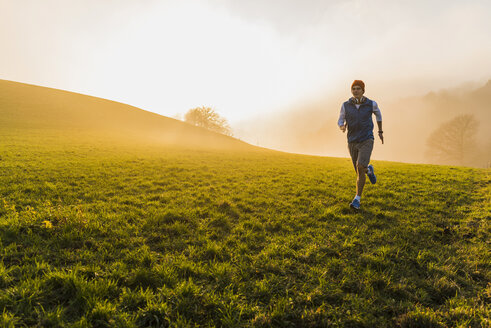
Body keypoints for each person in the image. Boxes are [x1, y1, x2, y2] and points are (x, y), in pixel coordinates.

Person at [338, 80, 383, 210]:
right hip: (352, 140)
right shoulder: (345, 105)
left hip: (366, 139)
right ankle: (369, 170)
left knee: (359, 165)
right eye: (354, 89)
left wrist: (380, 131)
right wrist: (342, 126)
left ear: (363, 90)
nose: (356, 91)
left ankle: (357, 200)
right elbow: (341, 119)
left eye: (358, 88)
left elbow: (379, 116)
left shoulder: (371, 104)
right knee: (359, 170)